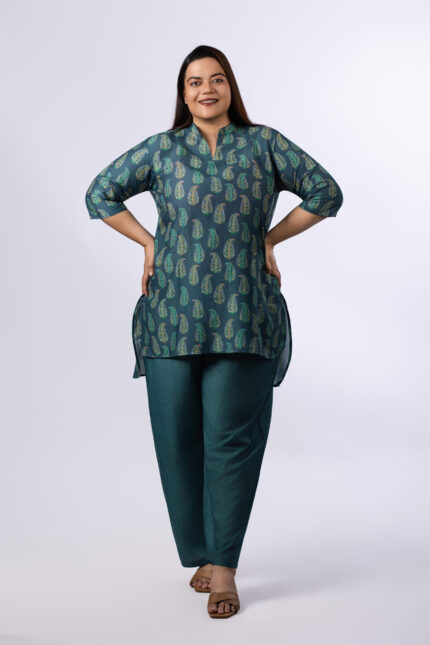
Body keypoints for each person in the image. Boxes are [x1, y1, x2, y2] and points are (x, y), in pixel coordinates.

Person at [85, 44, 344, 619]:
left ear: (231, 88)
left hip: (242, 312)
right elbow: (98, 193)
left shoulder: (264, 144)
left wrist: (270, 238)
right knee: (177, 441)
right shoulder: (162, 149)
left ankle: (224, 566)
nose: (206, 89)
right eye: (195, 81)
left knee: (230, 441)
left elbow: (327, 192)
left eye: (217, 79)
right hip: (171, 316)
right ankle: (201, 551)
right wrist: (148, 243)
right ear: (183, 94)